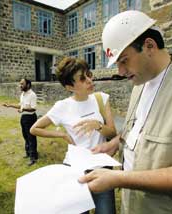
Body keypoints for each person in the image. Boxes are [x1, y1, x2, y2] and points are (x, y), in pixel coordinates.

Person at [79, 10, 172, 214]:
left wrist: (119, 178)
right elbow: (140, 131)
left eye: (124, 60)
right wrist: (115, 143)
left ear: (149, 46)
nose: (120, 72)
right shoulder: (140, 83)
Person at [30, 57, 117, 214]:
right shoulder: (62, 107)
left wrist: (97, 126)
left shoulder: (101, 99)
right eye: (83, 79)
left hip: (102, 168)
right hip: (75, 170)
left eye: (88, 74)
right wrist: (62, 135)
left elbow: (113, 133)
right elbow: (34, 129)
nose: (90, 80)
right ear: (70, 87)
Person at [3, 78, 38, 166]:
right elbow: (20, 105)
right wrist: (10, 105)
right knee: (25, 136)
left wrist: (23, 109)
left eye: (22, 84)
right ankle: (28, 153)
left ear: (28, 85)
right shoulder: (23, 94)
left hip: (30, 118)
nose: (20, 85)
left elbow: (33, 108)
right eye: (20, 84)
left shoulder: (32, 95)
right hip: (24, 117)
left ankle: (33, 157)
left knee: (31, 137)